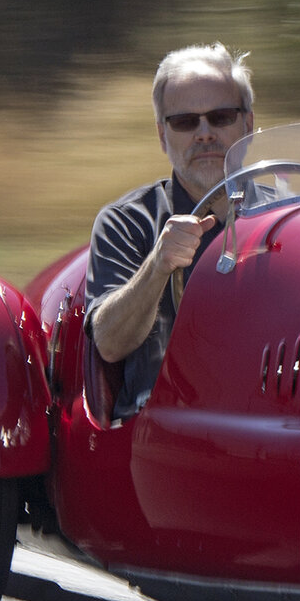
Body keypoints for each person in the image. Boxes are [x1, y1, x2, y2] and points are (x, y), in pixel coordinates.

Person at [87, 43, 256, 416]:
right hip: (165, 423)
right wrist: (159, 265)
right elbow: (108, 343)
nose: (205, 133)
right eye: (184, 122)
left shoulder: (290, 215)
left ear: (249, 124)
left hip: (270, 413)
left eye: (222, 117)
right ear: (163, 136)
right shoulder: (127, 221)